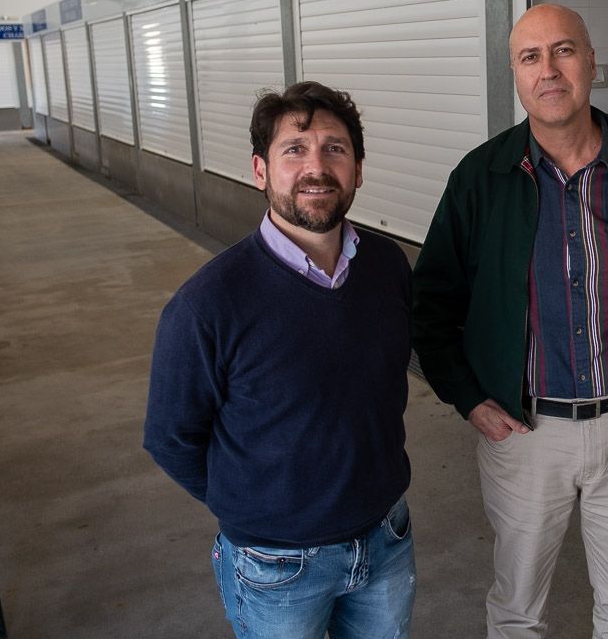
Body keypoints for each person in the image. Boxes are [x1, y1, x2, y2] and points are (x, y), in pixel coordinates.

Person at [412, 3, 608, 638]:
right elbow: (432, 305)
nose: (548, 70)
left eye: (563, 51)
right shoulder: (480, 179)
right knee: (519, 607)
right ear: (516, 75)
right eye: (530, 57)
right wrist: (470, 399)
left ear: (591, 62)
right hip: (524, 432)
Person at [143, 81, 415, 639]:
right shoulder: (208, 304)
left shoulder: (387, 266)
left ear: (358, 170)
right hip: (277, 565)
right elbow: (171, 438)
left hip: (386, 537)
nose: (316, 167)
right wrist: (260, 507)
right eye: (294, 149)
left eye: (334, 149)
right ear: (260, 171)